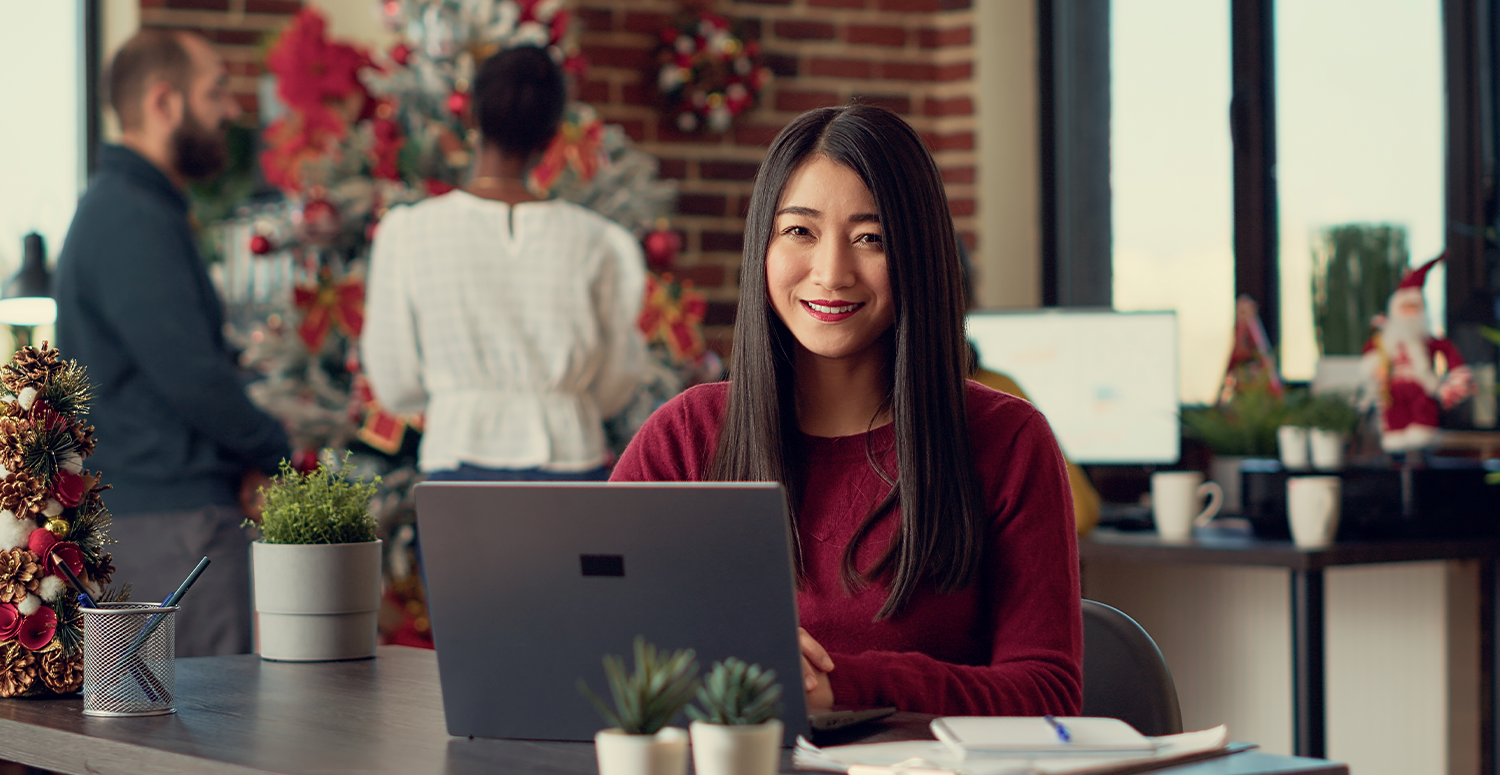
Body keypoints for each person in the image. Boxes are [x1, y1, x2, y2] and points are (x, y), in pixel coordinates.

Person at [611, 105, 1082, 717]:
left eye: (871, 238)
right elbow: (595, 644)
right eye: (799, 232)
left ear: (918, 255)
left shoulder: (1007, 440)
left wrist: (848, 685)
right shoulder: (685, 435)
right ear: (764, 247)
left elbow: (1048, 695)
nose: (830, 272)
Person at [53, 30, 291, 656]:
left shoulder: (130, 207)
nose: (231, 111)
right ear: (165, 102)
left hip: (153, 516)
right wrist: (278, 450)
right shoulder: (131, 217)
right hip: (171, 525)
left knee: (150, 733)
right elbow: (190, 375)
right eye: (215, 91)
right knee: (202, 740)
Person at [362, 45, 646, 482]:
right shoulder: (599, 241)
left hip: (457, 455)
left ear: (471, 117)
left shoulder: (410, 233)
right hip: (569, 456)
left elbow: (395, 380)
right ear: (552, 136)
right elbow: (614, 382)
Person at [1360, 255, 1475, 452]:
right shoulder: (1384, 340)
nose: (1410, 313)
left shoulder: (1427, 341)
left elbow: (1451, 355)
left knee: (1422, 418)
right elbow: (1370, 357)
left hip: (1422, 389)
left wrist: (1456, 382)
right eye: (1405, 308)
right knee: (1394, 421)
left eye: (1415, 308)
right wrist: (1375, 369)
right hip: (1392, 391)